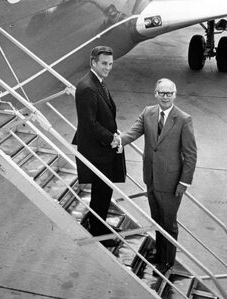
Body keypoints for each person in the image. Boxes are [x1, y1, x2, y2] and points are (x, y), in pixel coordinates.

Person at [118, 78, 197, 273]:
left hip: (172, 183)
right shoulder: (148, 113)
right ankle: (160, 253)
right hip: (151, 177)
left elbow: (191, 154)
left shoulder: (183, 119)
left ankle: (168, 261)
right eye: (161, 93)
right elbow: (134, 132)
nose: (165, 97)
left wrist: (184, 182)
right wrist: (118, 141)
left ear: (174, 95)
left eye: (169, 93)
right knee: (157, 219)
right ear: (155, 93)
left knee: (168, 222)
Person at [72, 45, 125, 246]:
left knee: (104, 191)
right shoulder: (87, 87)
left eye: (110, 64)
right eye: (104, 63)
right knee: (101, 192)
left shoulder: (98, 83)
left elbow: (103, 115)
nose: (108, 68)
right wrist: (111, 138)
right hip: (97, 149)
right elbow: (89, 123)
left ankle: (100, 226)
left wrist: (113, 132)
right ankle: (99, 233)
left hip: (102, 146)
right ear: (93, 62)